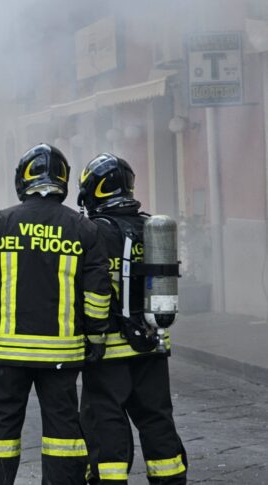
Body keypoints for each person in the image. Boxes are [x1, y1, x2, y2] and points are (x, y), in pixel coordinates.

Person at [0, 143, 112, 485]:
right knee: (63, 434)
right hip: (62, 353)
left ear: (23, 179)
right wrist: (96, 337)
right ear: (64, 181)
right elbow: (97, 292)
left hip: (7, 353)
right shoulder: (84, 230)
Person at [77, 154, 187, 484]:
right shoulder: (150, 227)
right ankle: (170, 479)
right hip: (153, 344)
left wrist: (91, 336)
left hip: (108, 349)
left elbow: (91, 290)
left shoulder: (93, 232)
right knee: (157, 418)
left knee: (105, 419)